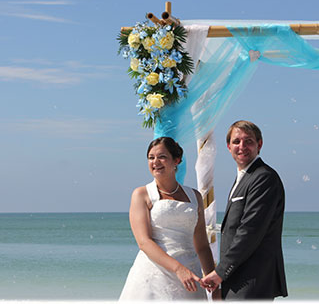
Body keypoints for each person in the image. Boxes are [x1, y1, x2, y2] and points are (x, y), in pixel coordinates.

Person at [119, 137, 220, 300]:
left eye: (162, 157)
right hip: (154, 275)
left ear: (177, 160)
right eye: (151, 158)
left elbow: (201, 245)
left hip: (190, 275)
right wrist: (178, 269)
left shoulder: (195, 196)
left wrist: (215, 286)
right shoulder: (141, 194)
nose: (155, 162)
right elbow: (144, 242)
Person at [201, 120, 288, 300]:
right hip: (238, 278)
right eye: (236, 141)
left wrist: (220, 272)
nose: (242, 146)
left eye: (248, 141)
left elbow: (250, 230)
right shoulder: (244, 176)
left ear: (259, 144)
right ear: (228, 146)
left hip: (253, 279)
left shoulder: (264, 177)